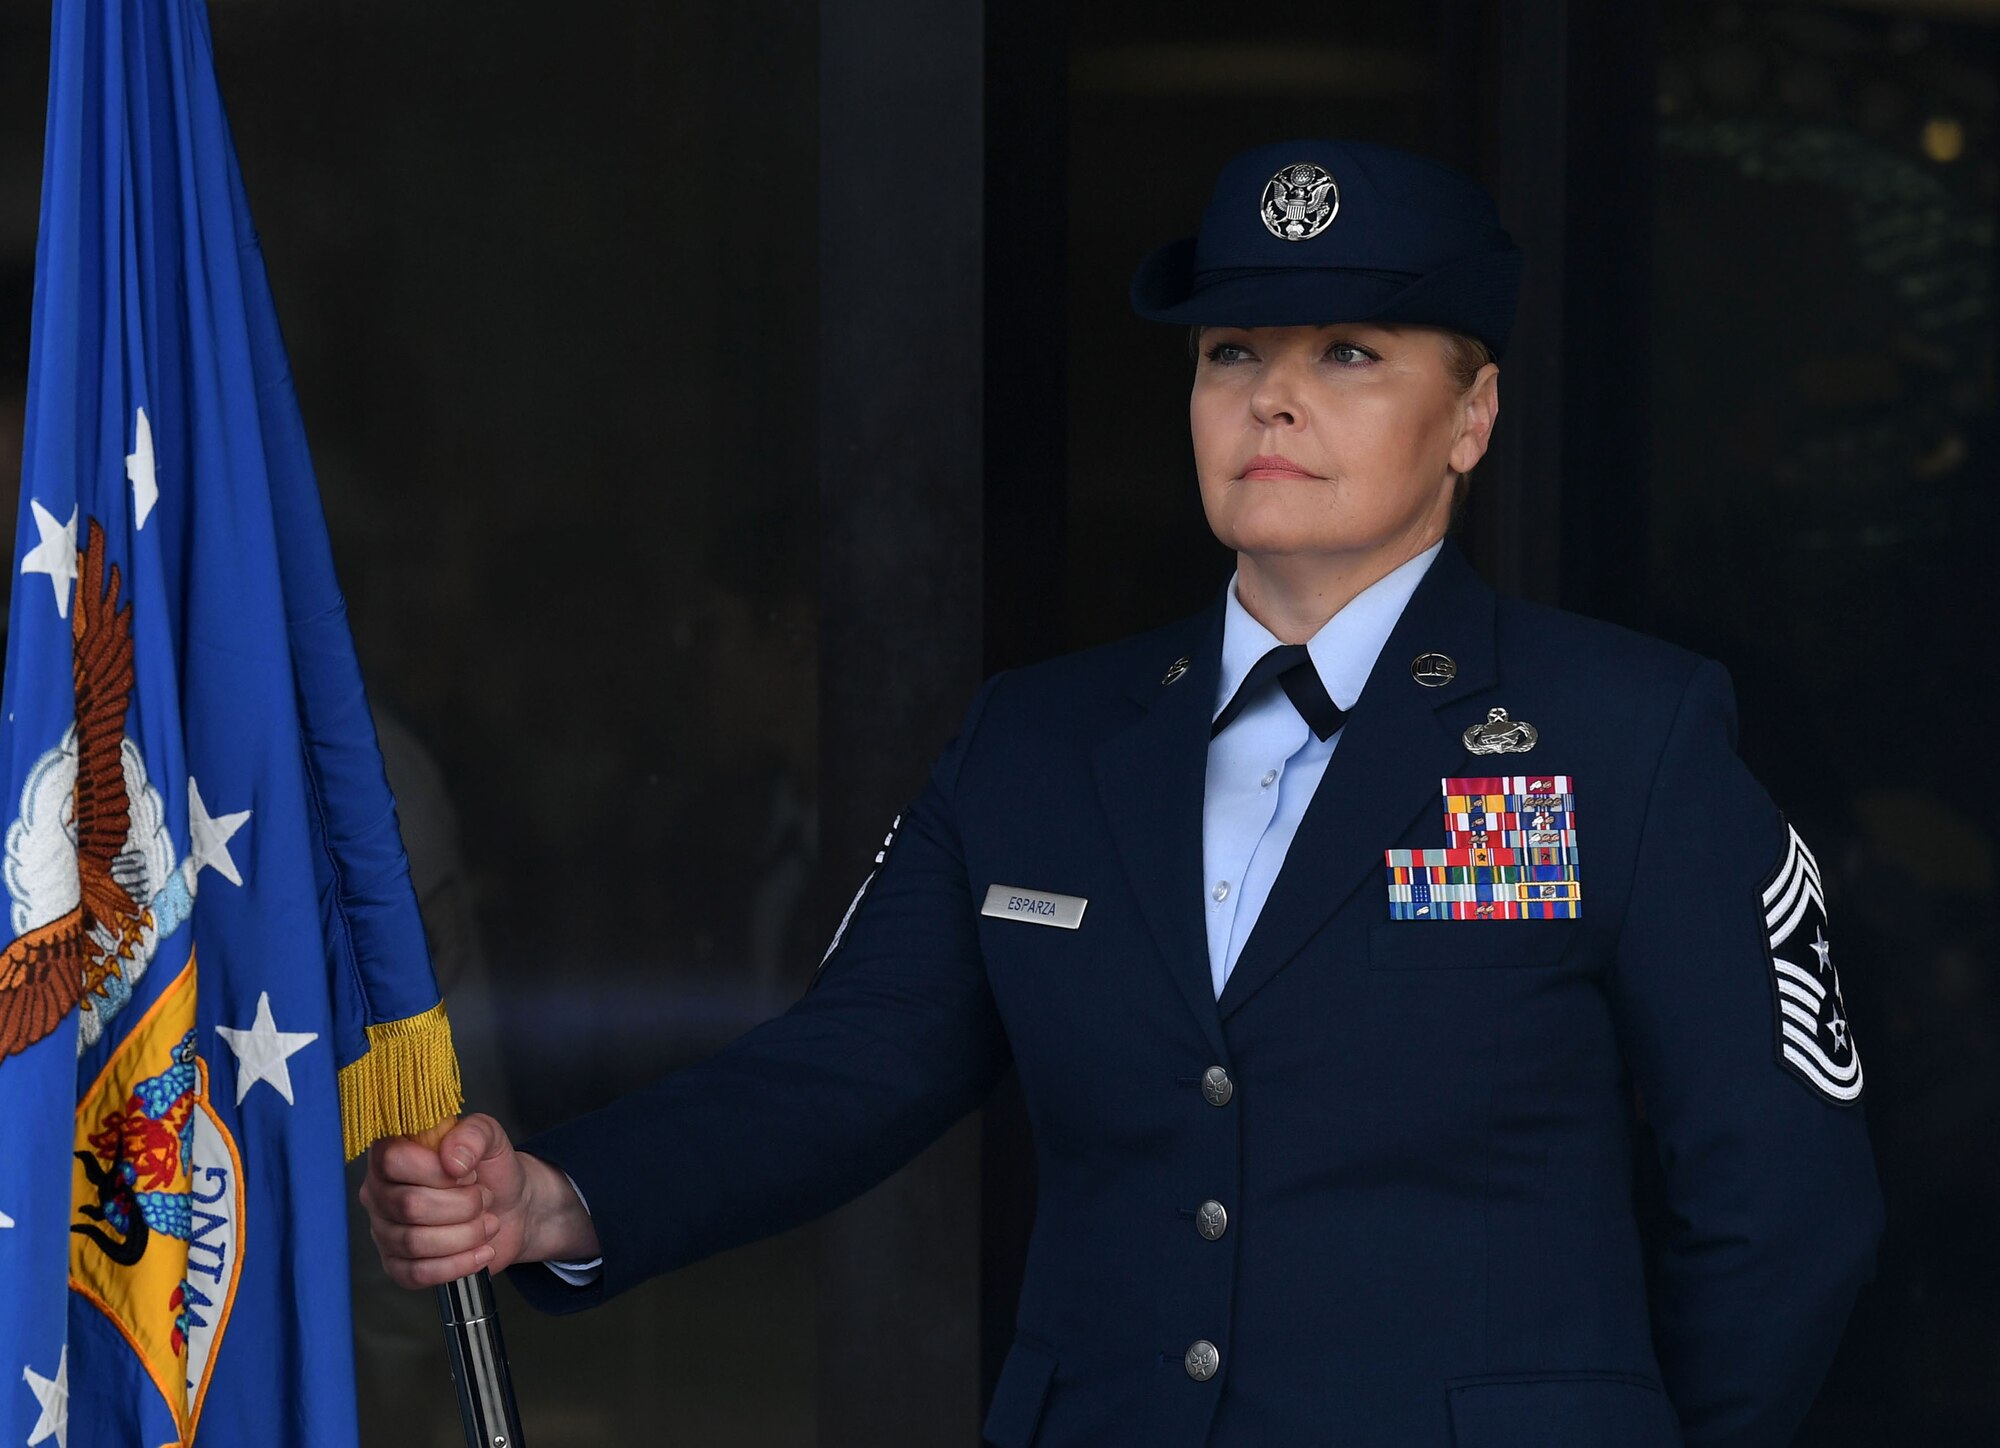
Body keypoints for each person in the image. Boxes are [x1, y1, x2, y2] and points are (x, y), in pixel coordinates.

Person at [360, 140, 1882, 1448]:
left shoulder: (1625, 732)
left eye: (1348, 352)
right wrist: (562, 1197)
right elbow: (846, 1068)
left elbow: (1781, 1195)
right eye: (1234, 355)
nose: (1273, 401)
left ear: (1470, 419)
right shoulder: (1041, 742)